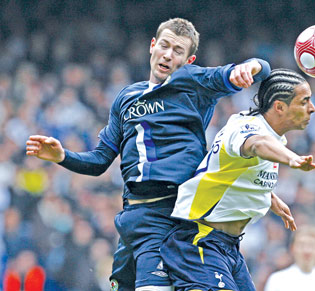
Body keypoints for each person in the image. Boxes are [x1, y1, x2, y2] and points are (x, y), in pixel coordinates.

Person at [25, 18, 271, 291]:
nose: (168, 54)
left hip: (178, 215)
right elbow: (99, 162)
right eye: (164, 45)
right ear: (152, 46)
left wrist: (250, 67)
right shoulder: (125, 98)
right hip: (138, 219)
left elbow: (259, 69)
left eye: (178, 51)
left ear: (189, 60)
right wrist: (63, 156)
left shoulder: (193, 82)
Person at [159, 68, 315, 291]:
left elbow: (232, 171)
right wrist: (291, 159)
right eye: (304, 101)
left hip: (228, 246)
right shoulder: (248, 129)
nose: (312, 108)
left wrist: (270, 198)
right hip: (199, 240)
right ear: (279, 107)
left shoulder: (268, 133)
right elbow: (256, 145)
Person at [264, 225, 315, 291]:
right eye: (301, 245)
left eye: (312, 245)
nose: (307, 250)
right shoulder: (277, 280)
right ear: (292, 248)